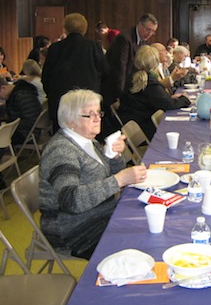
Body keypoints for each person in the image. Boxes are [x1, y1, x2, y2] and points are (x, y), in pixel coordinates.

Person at [39, 89, 147, 259]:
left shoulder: (89, 141)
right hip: (76, 230)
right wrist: (119, 180)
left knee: (148, 221)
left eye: (98, 112)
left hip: (104, 213)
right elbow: (71, 200)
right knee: (141, 242)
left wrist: (114, 156)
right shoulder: (61, 151)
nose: (98, 118)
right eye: (89, 115)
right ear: (70, 120)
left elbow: (107, 176)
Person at [42, 13, 108, 130]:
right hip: (89, 105)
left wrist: (53, 95)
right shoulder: (94, 47)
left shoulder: (55, 49)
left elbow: (46, 78)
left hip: (62, 104)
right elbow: (106, 74)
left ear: (65, 28)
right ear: (85, 29)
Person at [118, 46, 191, 140]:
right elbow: (167, 104)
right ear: (155, 62)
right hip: (145, 126)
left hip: (133, 119)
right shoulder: (149, 80)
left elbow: (155, 98)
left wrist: (171, 97)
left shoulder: (131, 75)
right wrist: (184, 99)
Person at [102, 13, 158, 107]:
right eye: (148, 30)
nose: (150, 34)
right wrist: (119, 96)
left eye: (153, 31)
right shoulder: (124, 39)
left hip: (130, 87)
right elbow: (119, 70)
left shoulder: (145, 40)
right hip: (115, 89)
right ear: (139, 24)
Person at [0, 74, 42, 145]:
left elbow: (30, 120)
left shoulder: (21, 96)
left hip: (27, 133)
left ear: (3, 88)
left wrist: (8, 127)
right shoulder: (19, 92)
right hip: (28, 131)